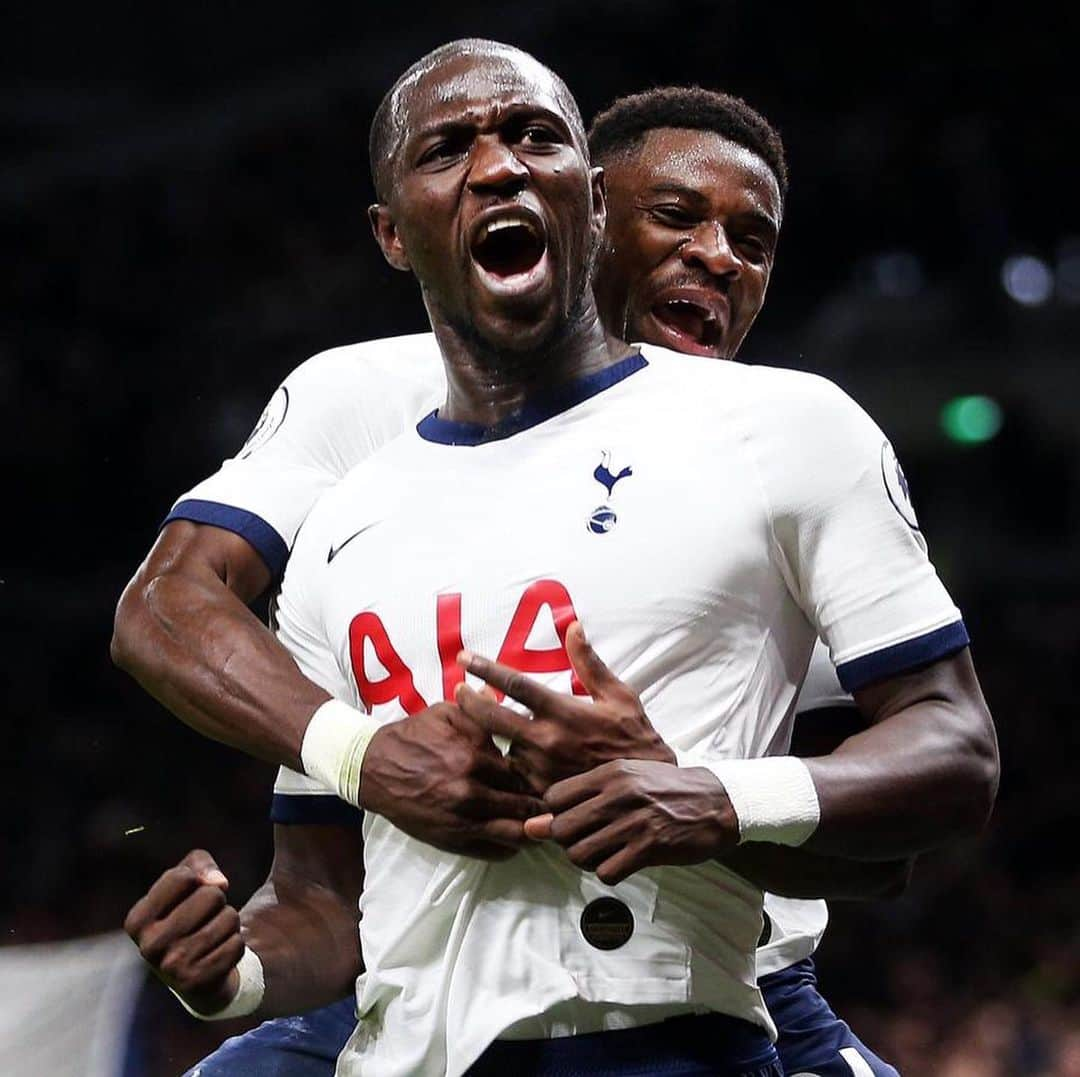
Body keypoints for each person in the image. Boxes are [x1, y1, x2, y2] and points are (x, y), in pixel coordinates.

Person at [118, 39, 998, 1076]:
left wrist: (699, 798)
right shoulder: (356, 464)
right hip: (402, 1010)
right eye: (676, 217)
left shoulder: (772, 445)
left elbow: (896, 829)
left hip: (718, 992)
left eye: (753, 241)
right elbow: (171, 615)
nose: (718, 255)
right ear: (605, 213)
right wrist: (345, 790)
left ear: (575, 197)